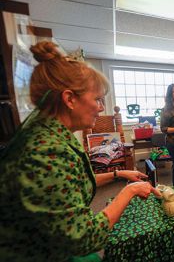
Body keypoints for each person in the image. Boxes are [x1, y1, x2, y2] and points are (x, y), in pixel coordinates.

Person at [0, 41, 160, 261]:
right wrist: (129, 191)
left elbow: (69, 181)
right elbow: (84, 238)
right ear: (69, 99)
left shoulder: (48, 129)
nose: (101, 107)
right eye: (97, 99)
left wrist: (118, 174)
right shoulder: (46, 152)